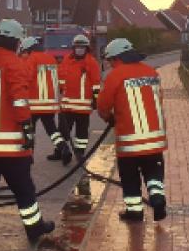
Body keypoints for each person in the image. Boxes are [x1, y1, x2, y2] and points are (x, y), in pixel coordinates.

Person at [0, 19, 56, 243]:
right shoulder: (15, 64)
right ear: (15, 42)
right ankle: (35, 228)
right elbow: (19, 101)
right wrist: (28, 130)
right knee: (24, 188)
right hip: (10, 146)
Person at [96, 38, 167, 222]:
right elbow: (158, 100)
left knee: (130, 177)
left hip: (129, 141)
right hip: (154, 139)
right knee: (153, 171)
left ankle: (135, 212)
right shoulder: (152, 73)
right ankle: (157, 197)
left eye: (110, 60)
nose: (110, 64)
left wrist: (108, 117)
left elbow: (103, 105)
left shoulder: (114, 76)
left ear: (117, 58)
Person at [19, 36, 70, 165]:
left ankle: (28, 157)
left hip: (34, 103)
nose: (23, 54)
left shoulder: (31, 59)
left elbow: (26, 77)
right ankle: (63, 147)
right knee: (52, 129)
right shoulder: (50, 58)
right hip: (50, 104)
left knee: (30, 131)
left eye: (24, 52)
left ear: (29, 49)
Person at [58, 34, 100, 159]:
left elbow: (96, 83)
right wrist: (61, 88)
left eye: (82, 47)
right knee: (63, 130)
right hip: (67, 106)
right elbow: (61, 76)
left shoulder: (91, 63)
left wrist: (96, 99)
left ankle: (80, 153)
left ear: (86, 48)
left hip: (83, 106)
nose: (79, 49)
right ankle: (61, 151)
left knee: (81, 133)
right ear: (73, 47)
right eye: (77, 47)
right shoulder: (67, 60)